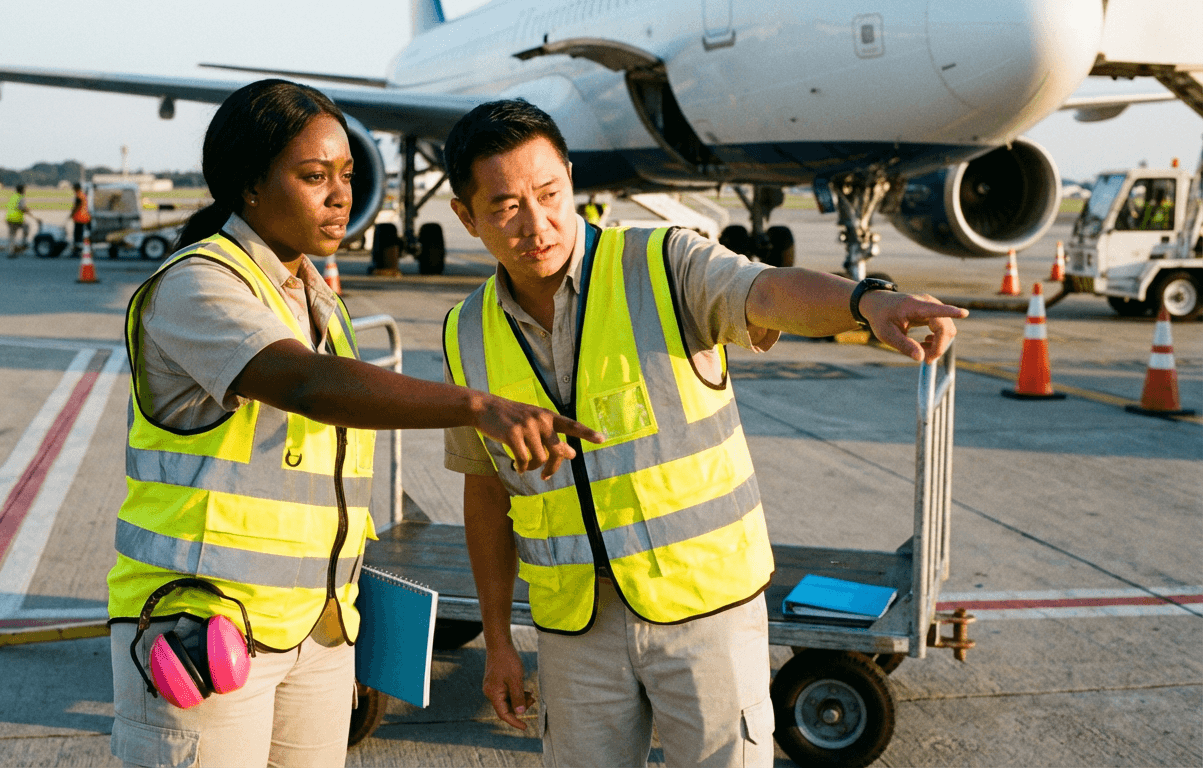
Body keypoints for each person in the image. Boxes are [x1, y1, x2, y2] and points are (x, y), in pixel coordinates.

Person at [440, 100, 966, 768]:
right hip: (575, 629)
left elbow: (766, 291)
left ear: (571, 179)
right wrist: (498, 641)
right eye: (505, 207)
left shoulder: (661, 263)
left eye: (549, 194)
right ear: (466, 215)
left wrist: (863, 304)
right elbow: (486, 495)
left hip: (705, 611)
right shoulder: (465, 333)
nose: (536, 224)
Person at [107, 81, 601, 768]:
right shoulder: (199, 283)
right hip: (209, 629)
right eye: (314, 177)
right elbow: (310, 386)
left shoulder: (320, 303)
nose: (340, 195)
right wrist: (476, 406)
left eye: (346, 175)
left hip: (317, 628)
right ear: (248, 185)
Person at [5, 183, 31, 257]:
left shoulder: (13, 197)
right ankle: (24, 242)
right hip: (16, 219)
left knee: (12, 236)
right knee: (26, 227)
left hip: (9, 219)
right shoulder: (21, 198)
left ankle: (11, 251)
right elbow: (21, 208)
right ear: (22, 190)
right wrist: (28, 211)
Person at [70, 181, 92, 255]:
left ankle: (77, 250)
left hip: (80, 218)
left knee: (77, 235)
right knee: (84, 235)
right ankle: (86, 249)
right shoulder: (83, 195)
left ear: (76, 188)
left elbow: (77, 207)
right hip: (86, 217)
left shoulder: (78, 196)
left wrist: (71, 214)